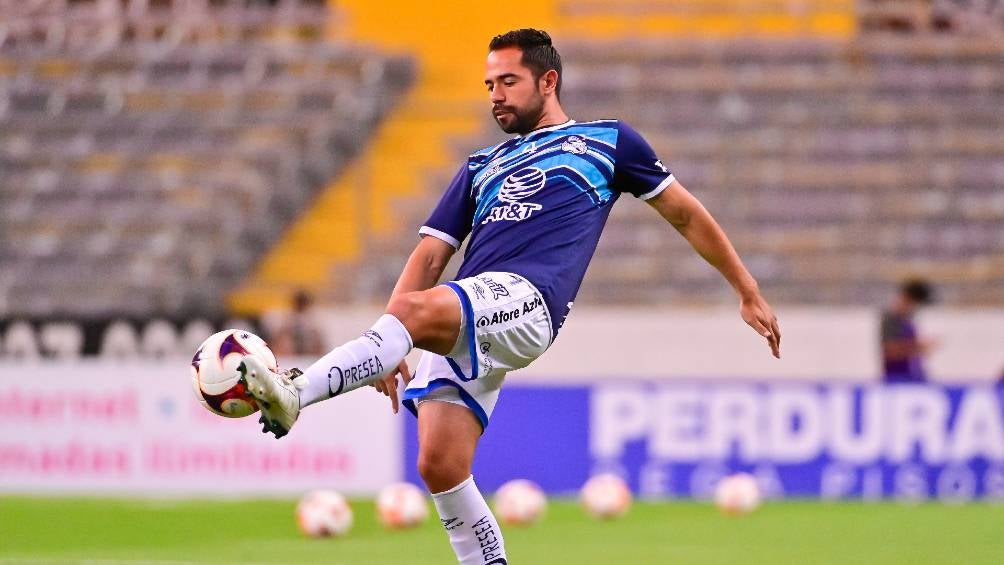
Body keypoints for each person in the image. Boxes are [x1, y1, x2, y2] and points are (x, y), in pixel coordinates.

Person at [236, 29, 780, 565]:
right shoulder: (479, 166)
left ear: (548, 80)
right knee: (440, 464)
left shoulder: (609, 141)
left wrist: (746, 289)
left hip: (527, 300)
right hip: (473, 311)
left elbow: (684, 211)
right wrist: (391, 340)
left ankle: (296, 393)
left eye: (508, 81)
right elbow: (429, 257)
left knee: (408, 311)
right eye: (489, 83)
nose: (495, 94)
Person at [881, 278, 935, 382]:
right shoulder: (891, 319)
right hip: (897, 380)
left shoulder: (907, 319)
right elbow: (889, 351)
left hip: (913, 377)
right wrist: (918, 346)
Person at [267, 290, 326, 357]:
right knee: (285, 339)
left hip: (307, 351)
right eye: (299, 303)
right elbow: (279, 337)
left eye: (303, 304)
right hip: (291, 352)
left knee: (316, 337)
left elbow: (318, 340)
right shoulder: (286, 317)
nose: (301, 306)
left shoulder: (314, 319)